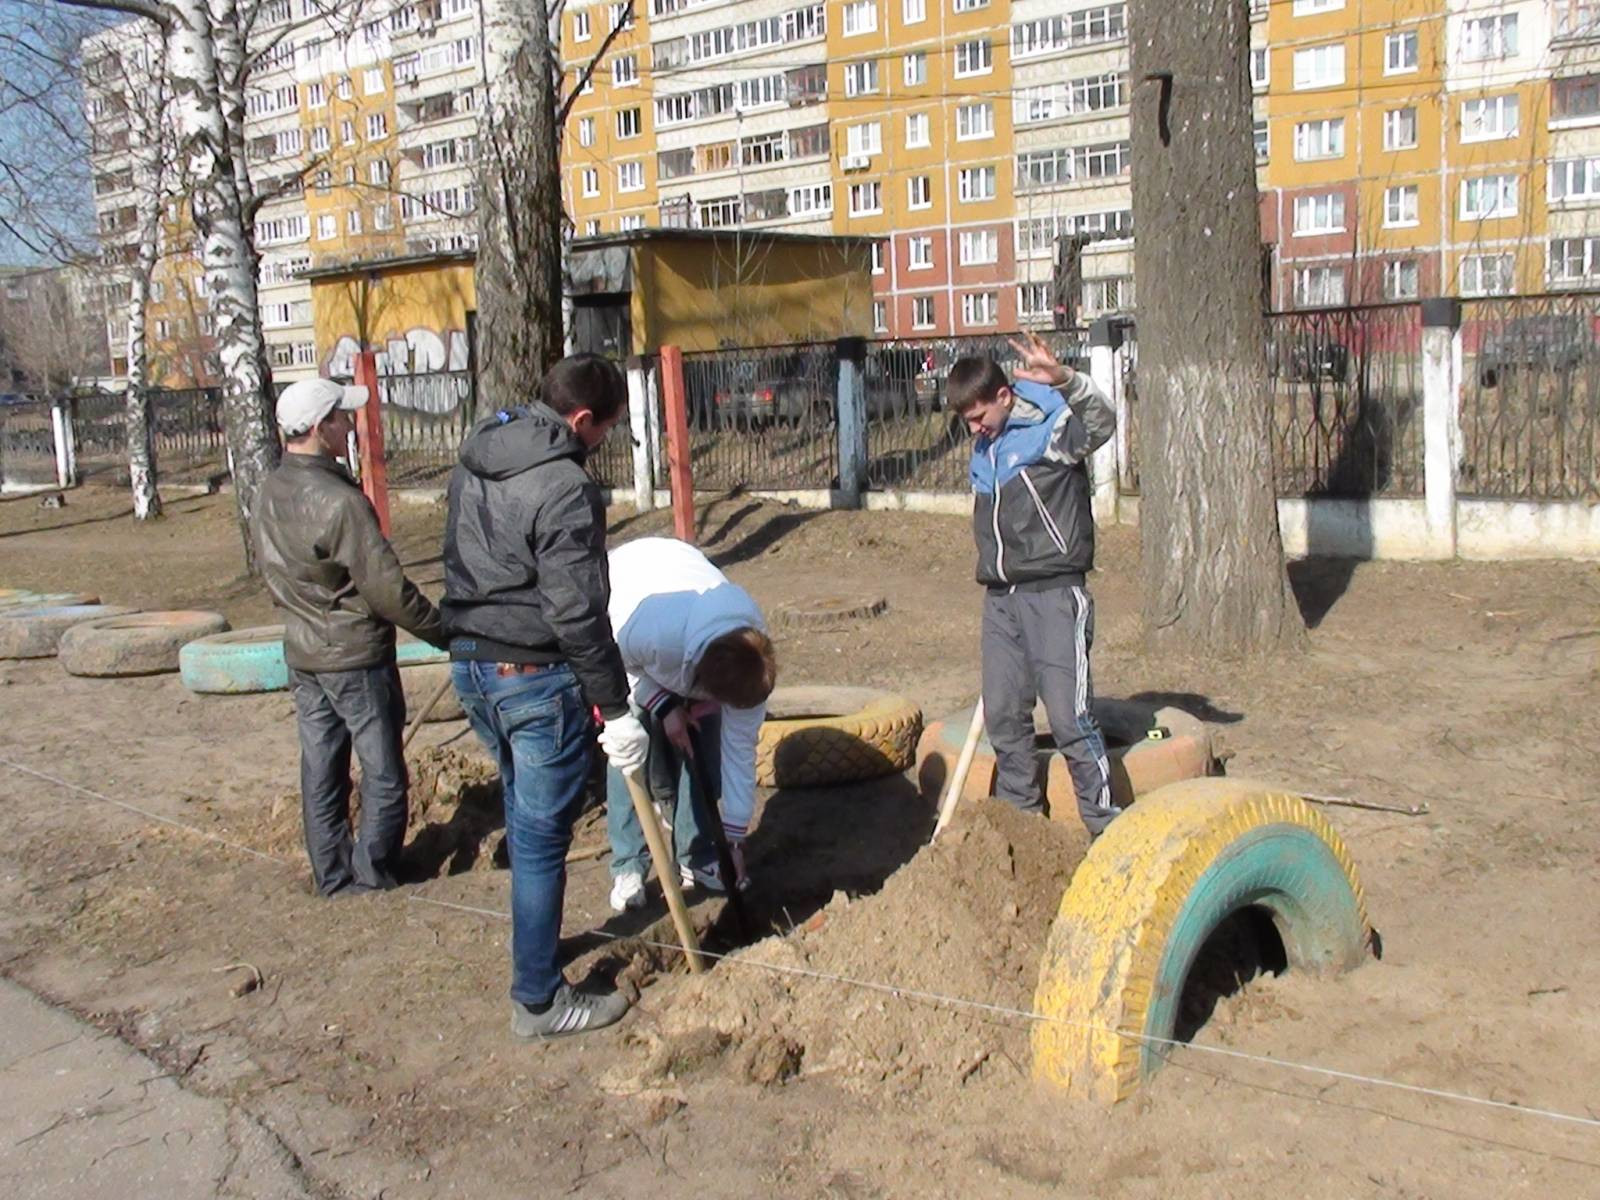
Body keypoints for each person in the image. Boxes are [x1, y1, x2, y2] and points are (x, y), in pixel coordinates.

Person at [441, 354, 647, 1042]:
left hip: (472, 666)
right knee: (538, 842)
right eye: (606, 431)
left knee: (524, 818)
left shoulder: (479, 452)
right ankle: (539, 1001)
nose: (602, 446)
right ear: (584, 419)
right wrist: (616, 706)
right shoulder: (564, 485)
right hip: (532, 675)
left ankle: (536, 952)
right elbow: (576, 611)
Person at [254, 377, 446, 898]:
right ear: (321, 428)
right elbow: (388, 592)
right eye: (342, 418)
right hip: (355, 658)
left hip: (304, 653)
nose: (350, 425)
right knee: (383, 771)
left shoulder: (269, 490)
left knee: (321, 768)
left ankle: (332, 876)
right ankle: (371, 872)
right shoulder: (340, 502)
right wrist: (445, 632)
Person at [946, 332, 1120, 836]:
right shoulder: (985, 448)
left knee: (1069, 718)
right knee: (1003, 715)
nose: (975, 430)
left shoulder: (1051, 430)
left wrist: (1065, 380)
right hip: (1001, 600)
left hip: (1054, 592)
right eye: (967, 423)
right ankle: (1021, 824)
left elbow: (1102, 422)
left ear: (1003, 396)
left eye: (979, 417)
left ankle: (1105, 827)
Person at [601, 537, 777, 913]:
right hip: (625, 603)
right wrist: (664, 706)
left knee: (704, 740)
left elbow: (739, 754)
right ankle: (629, 864)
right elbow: (612, 663)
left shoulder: (752, 662)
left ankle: (697, 854)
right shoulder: (653, 632)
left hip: (688, 645)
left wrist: (734, 840)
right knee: (628, 744)